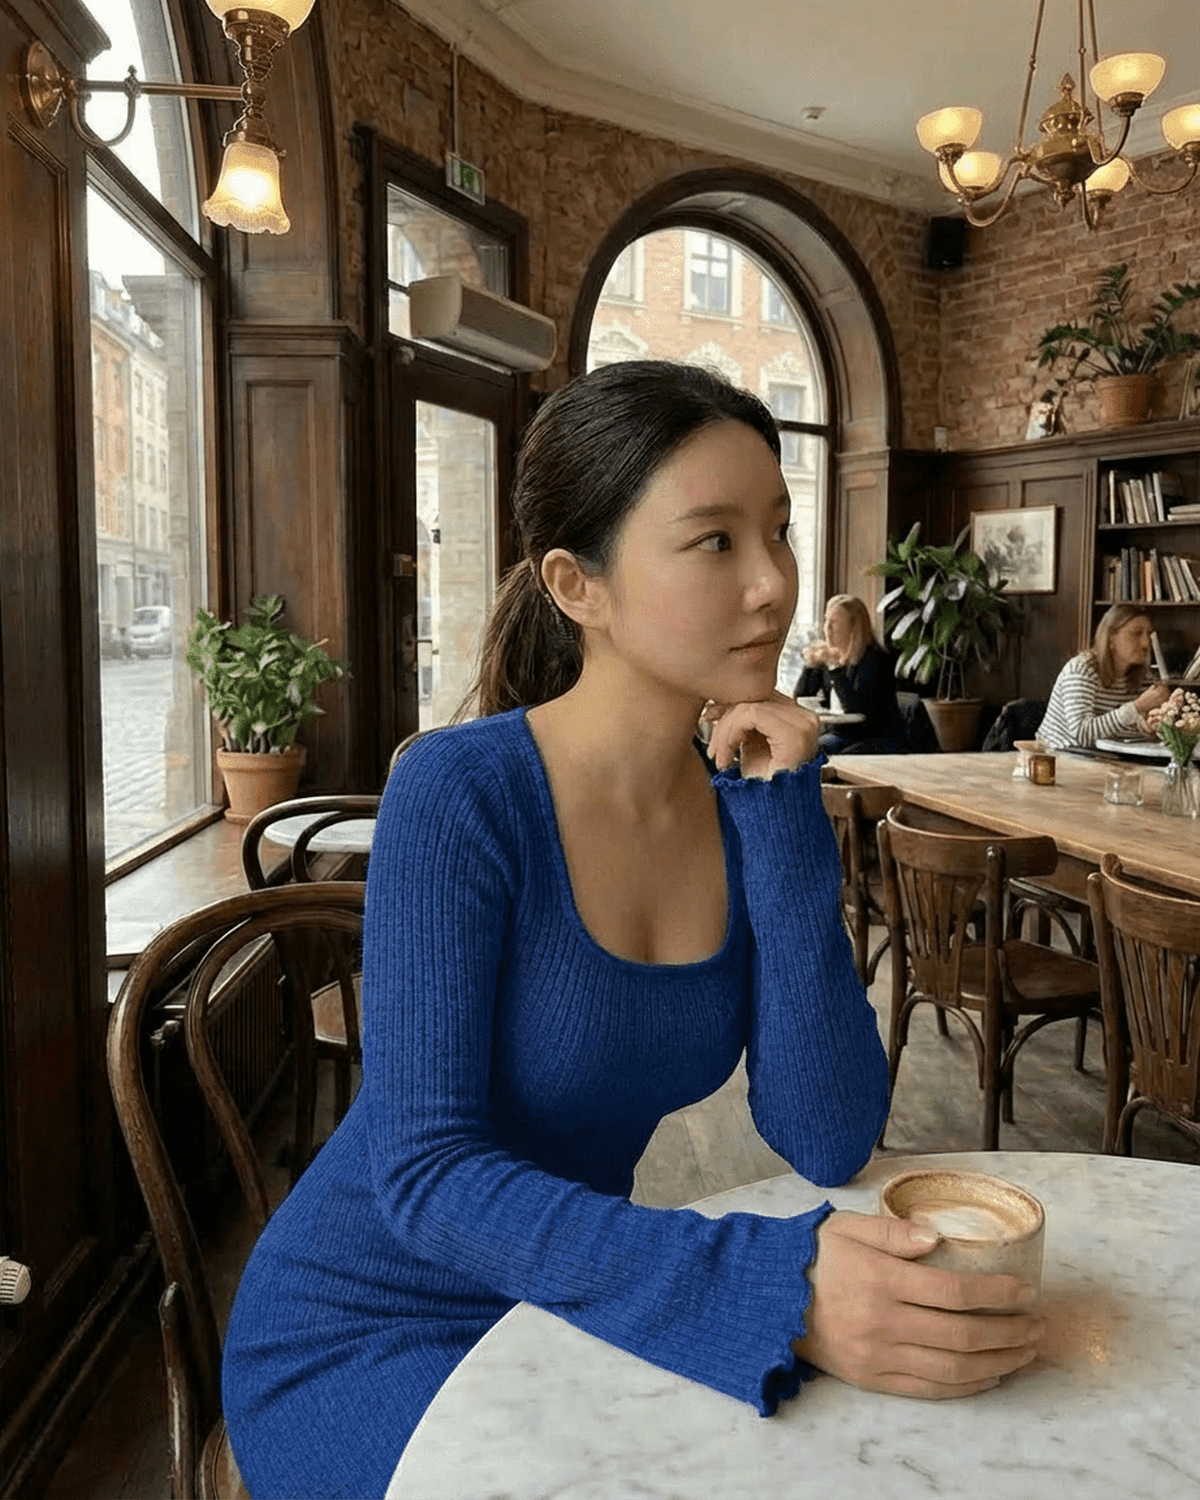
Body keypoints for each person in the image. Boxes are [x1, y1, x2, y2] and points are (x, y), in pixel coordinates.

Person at [221, 361, 1046, 1500]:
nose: (773, 586)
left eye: (780, 531)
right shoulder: (461, 792)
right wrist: (774, 1284)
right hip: (365, 1323)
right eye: (713, 541)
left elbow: (827, 1132)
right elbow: (422, 1175)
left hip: (571, 1292)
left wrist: (785, 823)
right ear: (578, 585)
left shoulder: (744, 802)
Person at [1036, 603, 1169, 750]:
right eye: (1136, 633)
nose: (1146, 643)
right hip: (1060, 756)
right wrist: (1136, 707)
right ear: (1111, 637)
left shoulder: (1145, 676)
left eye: (1149, 634)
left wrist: (1147, 728)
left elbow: (1126, 731)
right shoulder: (1082, 669)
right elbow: (1081, 733)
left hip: (1109, 758)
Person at [794, 594, 906, 754]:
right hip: (839, 734)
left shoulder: (874, 659)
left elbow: (854, 708)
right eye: (826, 620)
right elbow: (801, 695)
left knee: (825, 757)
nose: (827, 628)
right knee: (798, 751)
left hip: (873, 737)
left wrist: (834, 667)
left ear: (853, 627)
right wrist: (811, 664)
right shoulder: (830, 655)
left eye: (834, 622)